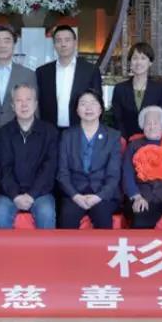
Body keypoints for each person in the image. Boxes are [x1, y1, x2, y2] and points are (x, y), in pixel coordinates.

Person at [0, 83, 59, 229]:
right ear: (12, 105)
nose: (24, 105)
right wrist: (15, 195)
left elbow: (49, 168)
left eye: (28, 100)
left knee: (46, 213)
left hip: (40, 193)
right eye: (19, 100)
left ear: (35, 104)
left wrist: (32, 195)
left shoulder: (50, 132)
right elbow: (3, 169)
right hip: (9, 194)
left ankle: (45, 247)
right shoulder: (2, 134)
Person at [56, 90, 122, 228]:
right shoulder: (67, 136)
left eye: (93, 103)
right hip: (75, 193)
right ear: (77, 110)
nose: (88, 108)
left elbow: (114, 175)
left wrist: (99, 196)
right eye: (83, 104)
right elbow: (63, 173)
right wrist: (75, 196)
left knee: (103, 216)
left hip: (102, 194)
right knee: (67, 218)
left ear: (101, 109)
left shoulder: (113, 136)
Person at [36, 25, 103, 130]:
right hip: (50, 131)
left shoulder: (90, 71)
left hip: (80, 130)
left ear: (75, 43)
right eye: (58, 41)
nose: (63, 44)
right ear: (54, 44)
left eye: (67, 40)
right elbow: (38, 103)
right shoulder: (43, 72)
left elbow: (97, 102)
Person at [111, 42, 162, 137]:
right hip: (126, 140)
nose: (138, 62)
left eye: (143, 58)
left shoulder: (159, 89)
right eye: (135, 58)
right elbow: (117, 119)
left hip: (151, 140)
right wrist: (123, 140)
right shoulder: (120, 89)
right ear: (130, 62)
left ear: (150, 63)